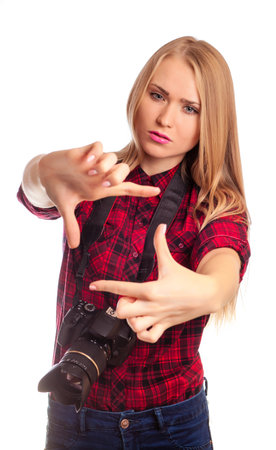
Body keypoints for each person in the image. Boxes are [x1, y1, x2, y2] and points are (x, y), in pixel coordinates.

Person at [18, 36, 250, 449]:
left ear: (209, 122)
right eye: (157, 95)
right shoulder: (93, 177)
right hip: (73, 412)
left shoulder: (215, 203)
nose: (165, 118)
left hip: (171, 423)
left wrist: (208, 291)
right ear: (138, 91)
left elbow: (224, 265)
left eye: (189, 108)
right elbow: (37, 197)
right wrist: (40, 170)